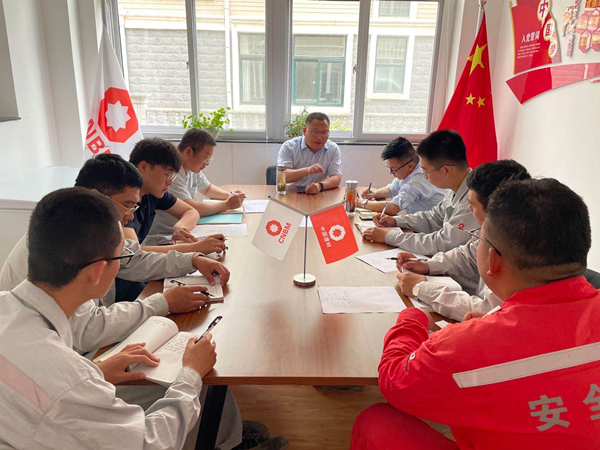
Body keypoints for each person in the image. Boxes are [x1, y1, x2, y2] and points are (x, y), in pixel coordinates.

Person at [352, 178, 600, 448]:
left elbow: (395, 382)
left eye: (479, 238)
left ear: (492, 259)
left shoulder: (469, 344)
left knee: (375, 421)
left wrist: (412, 318)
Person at [0, 188, 218, 449]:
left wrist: (98, 372)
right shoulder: (68, 379)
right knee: (196, 394)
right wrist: (191, 374)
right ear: (97, 271)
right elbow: (149, 443)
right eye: (120, 257)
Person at [0, 154, 229, 307]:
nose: (130, 216)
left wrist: (193, 259)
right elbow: (88, 330)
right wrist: (163, 303)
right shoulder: (68, 237)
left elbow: (134, 259)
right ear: (98, 197)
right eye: (127, 205)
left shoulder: (88, 224)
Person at [395, 160, 531, 321]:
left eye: (473, 205)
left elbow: (489, 311)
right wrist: (427, 265)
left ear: (494, 209)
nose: (469, 209)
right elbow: (467, 255)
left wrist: (421, 289)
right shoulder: (502, 229)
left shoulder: (519, 251)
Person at [362, 130, 478, 255]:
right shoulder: (456, 188)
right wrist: (396, 221)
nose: (425, 176)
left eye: (426, 172)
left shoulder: (473, 201)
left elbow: (441, 243)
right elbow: (432, 218)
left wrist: (389, 236)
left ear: (445, 170)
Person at [147, 129, 245, 244]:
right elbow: (193, 208)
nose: (207, 163)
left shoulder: (192, 169)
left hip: (183, 231)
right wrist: (227, 204)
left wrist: (230, 196)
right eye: (206, 157)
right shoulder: (173, 175)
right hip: (165, 238)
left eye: (209, 159)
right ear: (188, 152)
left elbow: (207, 189)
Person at [125, 137, 203, 249]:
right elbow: (133, 252)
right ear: (144, 167)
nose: (170, 182)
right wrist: (195, 247)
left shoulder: (152, 193)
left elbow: (191, 211)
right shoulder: (122, 198)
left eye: (172, 177)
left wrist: (180, 227)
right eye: (168, 175)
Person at [359, 136, 446, 215]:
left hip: (433, 225)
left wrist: (360, 203)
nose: (390, 173)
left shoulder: (418, 179)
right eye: (389, 168)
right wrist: (375, 194)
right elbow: (392, 189)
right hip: (419, 220)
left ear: (410, 166)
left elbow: (393, 208)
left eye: (393, 169)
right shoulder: (409, 171)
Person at [277, 112, 342, 194]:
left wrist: (320, 185)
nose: (319, 137)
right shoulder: (289, 147)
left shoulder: (333, 149)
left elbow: (336, 177)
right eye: (315, 131)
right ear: (304, 131)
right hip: (292, 194)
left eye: (324, 132)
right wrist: (307, 170)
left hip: (318, 194)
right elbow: (283, 176)